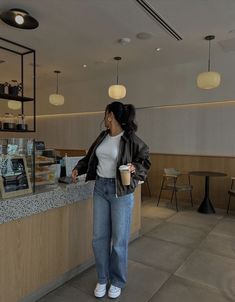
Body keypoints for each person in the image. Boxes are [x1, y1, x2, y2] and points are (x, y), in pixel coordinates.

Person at [72, 101, 151, 299]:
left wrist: (135, 168)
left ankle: (117, 281)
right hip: (100, 188)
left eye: (105, 114)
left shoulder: (130, 138)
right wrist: (78, 168)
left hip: (121, 192)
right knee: (99, 238)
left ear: (110, 115)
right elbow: (90, 157)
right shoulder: (102, 137)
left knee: (119, 240)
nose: (104, 117)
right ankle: (102, 277)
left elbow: (145, 160)